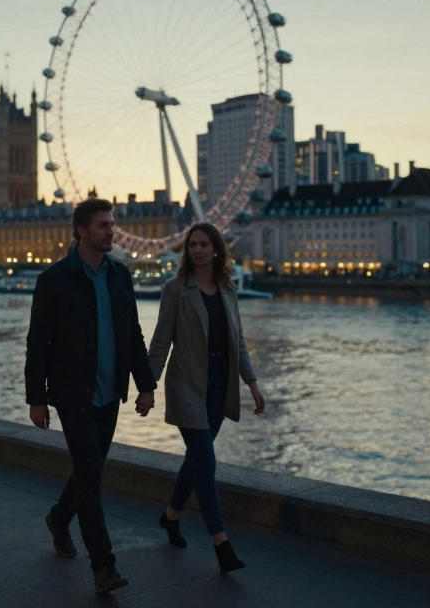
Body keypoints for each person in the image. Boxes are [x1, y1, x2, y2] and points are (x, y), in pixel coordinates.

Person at [24, 197, 157, 593]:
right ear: (81, 230)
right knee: (91, 477)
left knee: (89, 471)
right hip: (72, 392)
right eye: (103, 225)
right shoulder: (54, 279)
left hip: (109, 391)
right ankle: (104, 566)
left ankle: (59, 519)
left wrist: (146, 385)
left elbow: (132, 334)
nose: (111, 231)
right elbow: (38, 343)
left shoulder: (120, 275)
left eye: (112, 224)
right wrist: (36, 397)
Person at [146, 222, 265, 573]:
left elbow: (238, 342)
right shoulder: (176, 289)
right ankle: (221, 542)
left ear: (216, 249)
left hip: (219, 386)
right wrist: (148, 387)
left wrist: (252, 382)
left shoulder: (228, 289)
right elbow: (160, 341)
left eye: (203, 244)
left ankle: (171, 515)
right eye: (192, 245)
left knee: (196, 459)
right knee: (206, 463)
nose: (196, 250)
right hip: (187, 385)